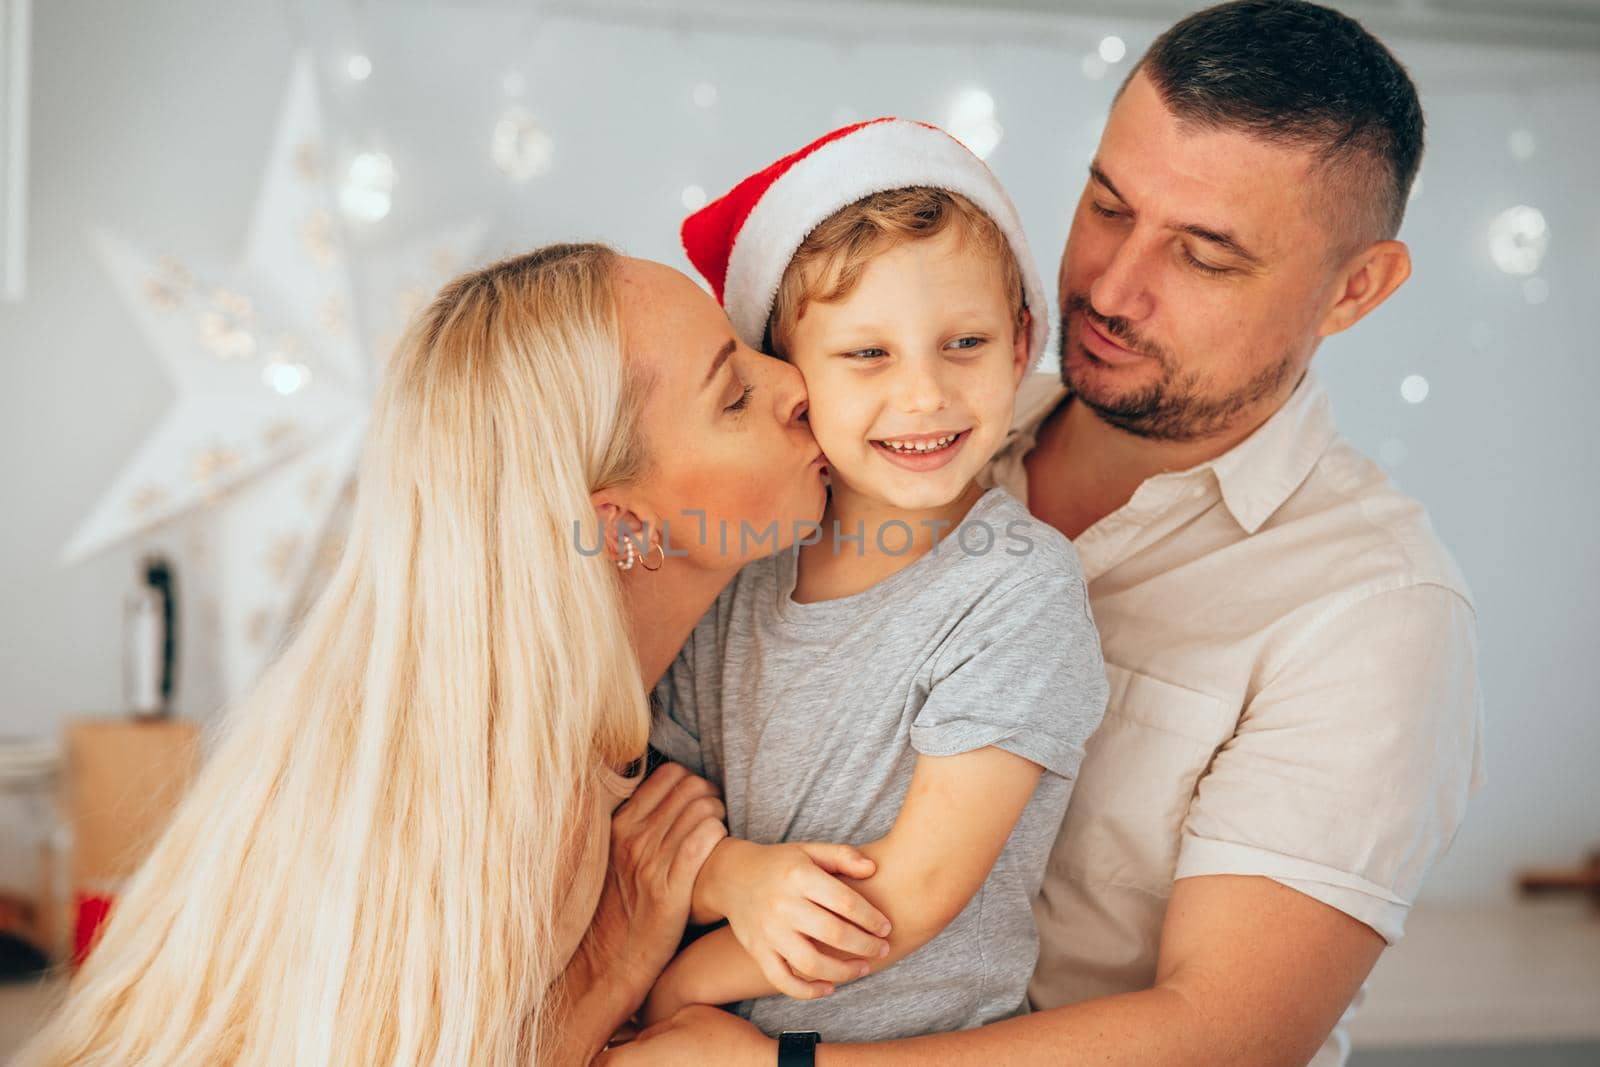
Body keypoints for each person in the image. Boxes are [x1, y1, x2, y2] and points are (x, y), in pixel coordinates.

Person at [604, 2, 1483, 1064]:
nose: (1110, 289)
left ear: (1355, 288)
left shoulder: (1374, 608)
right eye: (1108, 206)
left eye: (1204, 255)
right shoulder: (875, 454)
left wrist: (782, 1061)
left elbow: (1231, 1032)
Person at [19, 244, 859, 1066]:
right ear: (623, 524)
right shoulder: (505, 798)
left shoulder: (580, 721)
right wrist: (616, 964)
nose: (794, 381)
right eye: (734, 395)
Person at [640, 120, 1109, 1040]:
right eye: (868, 353)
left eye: (964, 343)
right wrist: (737, 877)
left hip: (911, 1046)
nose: (926, 394)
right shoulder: (738, 573)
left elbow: (916, 889)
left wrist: (682, 988)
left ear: (1021, 345)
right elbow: (666, 815)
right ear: (788, 371)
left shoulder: (1021, 590)